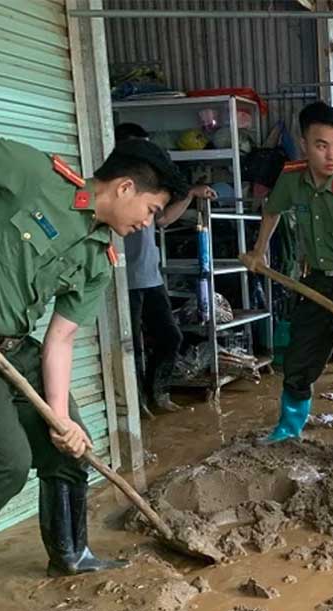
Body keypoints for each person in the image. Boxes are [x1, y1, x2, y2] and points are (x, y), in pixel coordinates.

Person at [0, 114, 187, 600]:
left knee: (74, 445)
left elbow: (61, 339)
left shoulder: (99, 259)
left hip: (13, 346)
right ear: (127, 187)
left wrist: (58, 418)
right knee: (6, 465)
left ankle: (71, 555)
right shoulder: (35, 175)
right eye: (152, 210)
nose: (147, 224)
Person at [240, 102, 333, 477]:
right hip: (316, 283)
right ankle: (288, 428)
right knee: (297, 363)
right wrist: (259, 253)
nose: (332, 155)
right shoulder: (292, 177)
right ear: (304, 145)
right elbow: (272, 210)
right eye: (322, 145)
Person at [114, 123, 217, 414]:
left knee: (170, 336)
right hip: (123, 280)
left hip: (149, 277)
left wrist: (191, 194)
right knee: (130, 346)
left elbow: (163, 220)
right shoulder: (118, 187)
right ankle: (136, 405)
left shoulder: (146, 186)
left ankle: (157, 393)